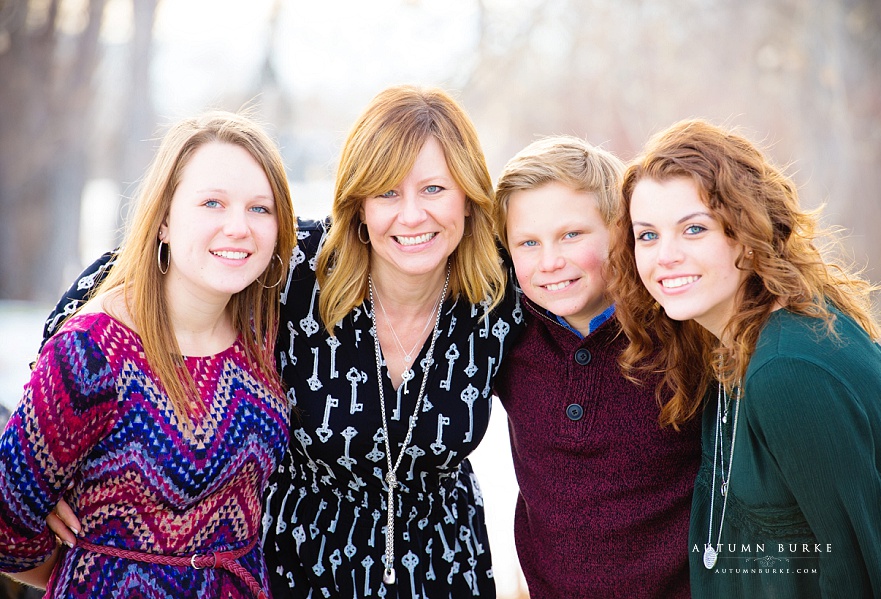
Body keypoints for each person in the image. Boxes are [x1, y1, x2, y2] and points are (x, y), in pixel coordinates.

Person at [44, 85, 524, 598]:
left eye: (434, 189)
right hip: (299, 565)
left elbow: (590, 324)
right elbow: (116, 283)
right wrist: (48, 462)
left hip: (444, 569)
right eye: (387, 192)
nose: (410, 215)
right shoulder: (296, 270)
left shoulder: (501, 292)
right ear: (358, 203)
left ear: (469, 198)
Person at [0, 111, 297, 598]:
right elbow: (6, 526)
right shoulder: (94, 351)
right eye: (212, 203)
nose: (238, 227)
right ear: (163, 219)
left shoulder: (262, 335)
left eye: (259, 209)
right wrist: (93, 571)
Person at [608, 118, 881, 598]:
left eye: (694, 229)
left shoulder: (790, 370)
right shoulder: (730, 343)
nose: (665, 256)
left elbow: (862, 577)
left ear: (745, 232)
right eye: (648, 235)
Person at [491, 136, 700, 598]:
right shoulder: (507, 333)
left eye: (572, 235)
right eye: (528, 242)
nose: (550, 261)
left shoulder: (678, 330)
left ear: (617, 230)